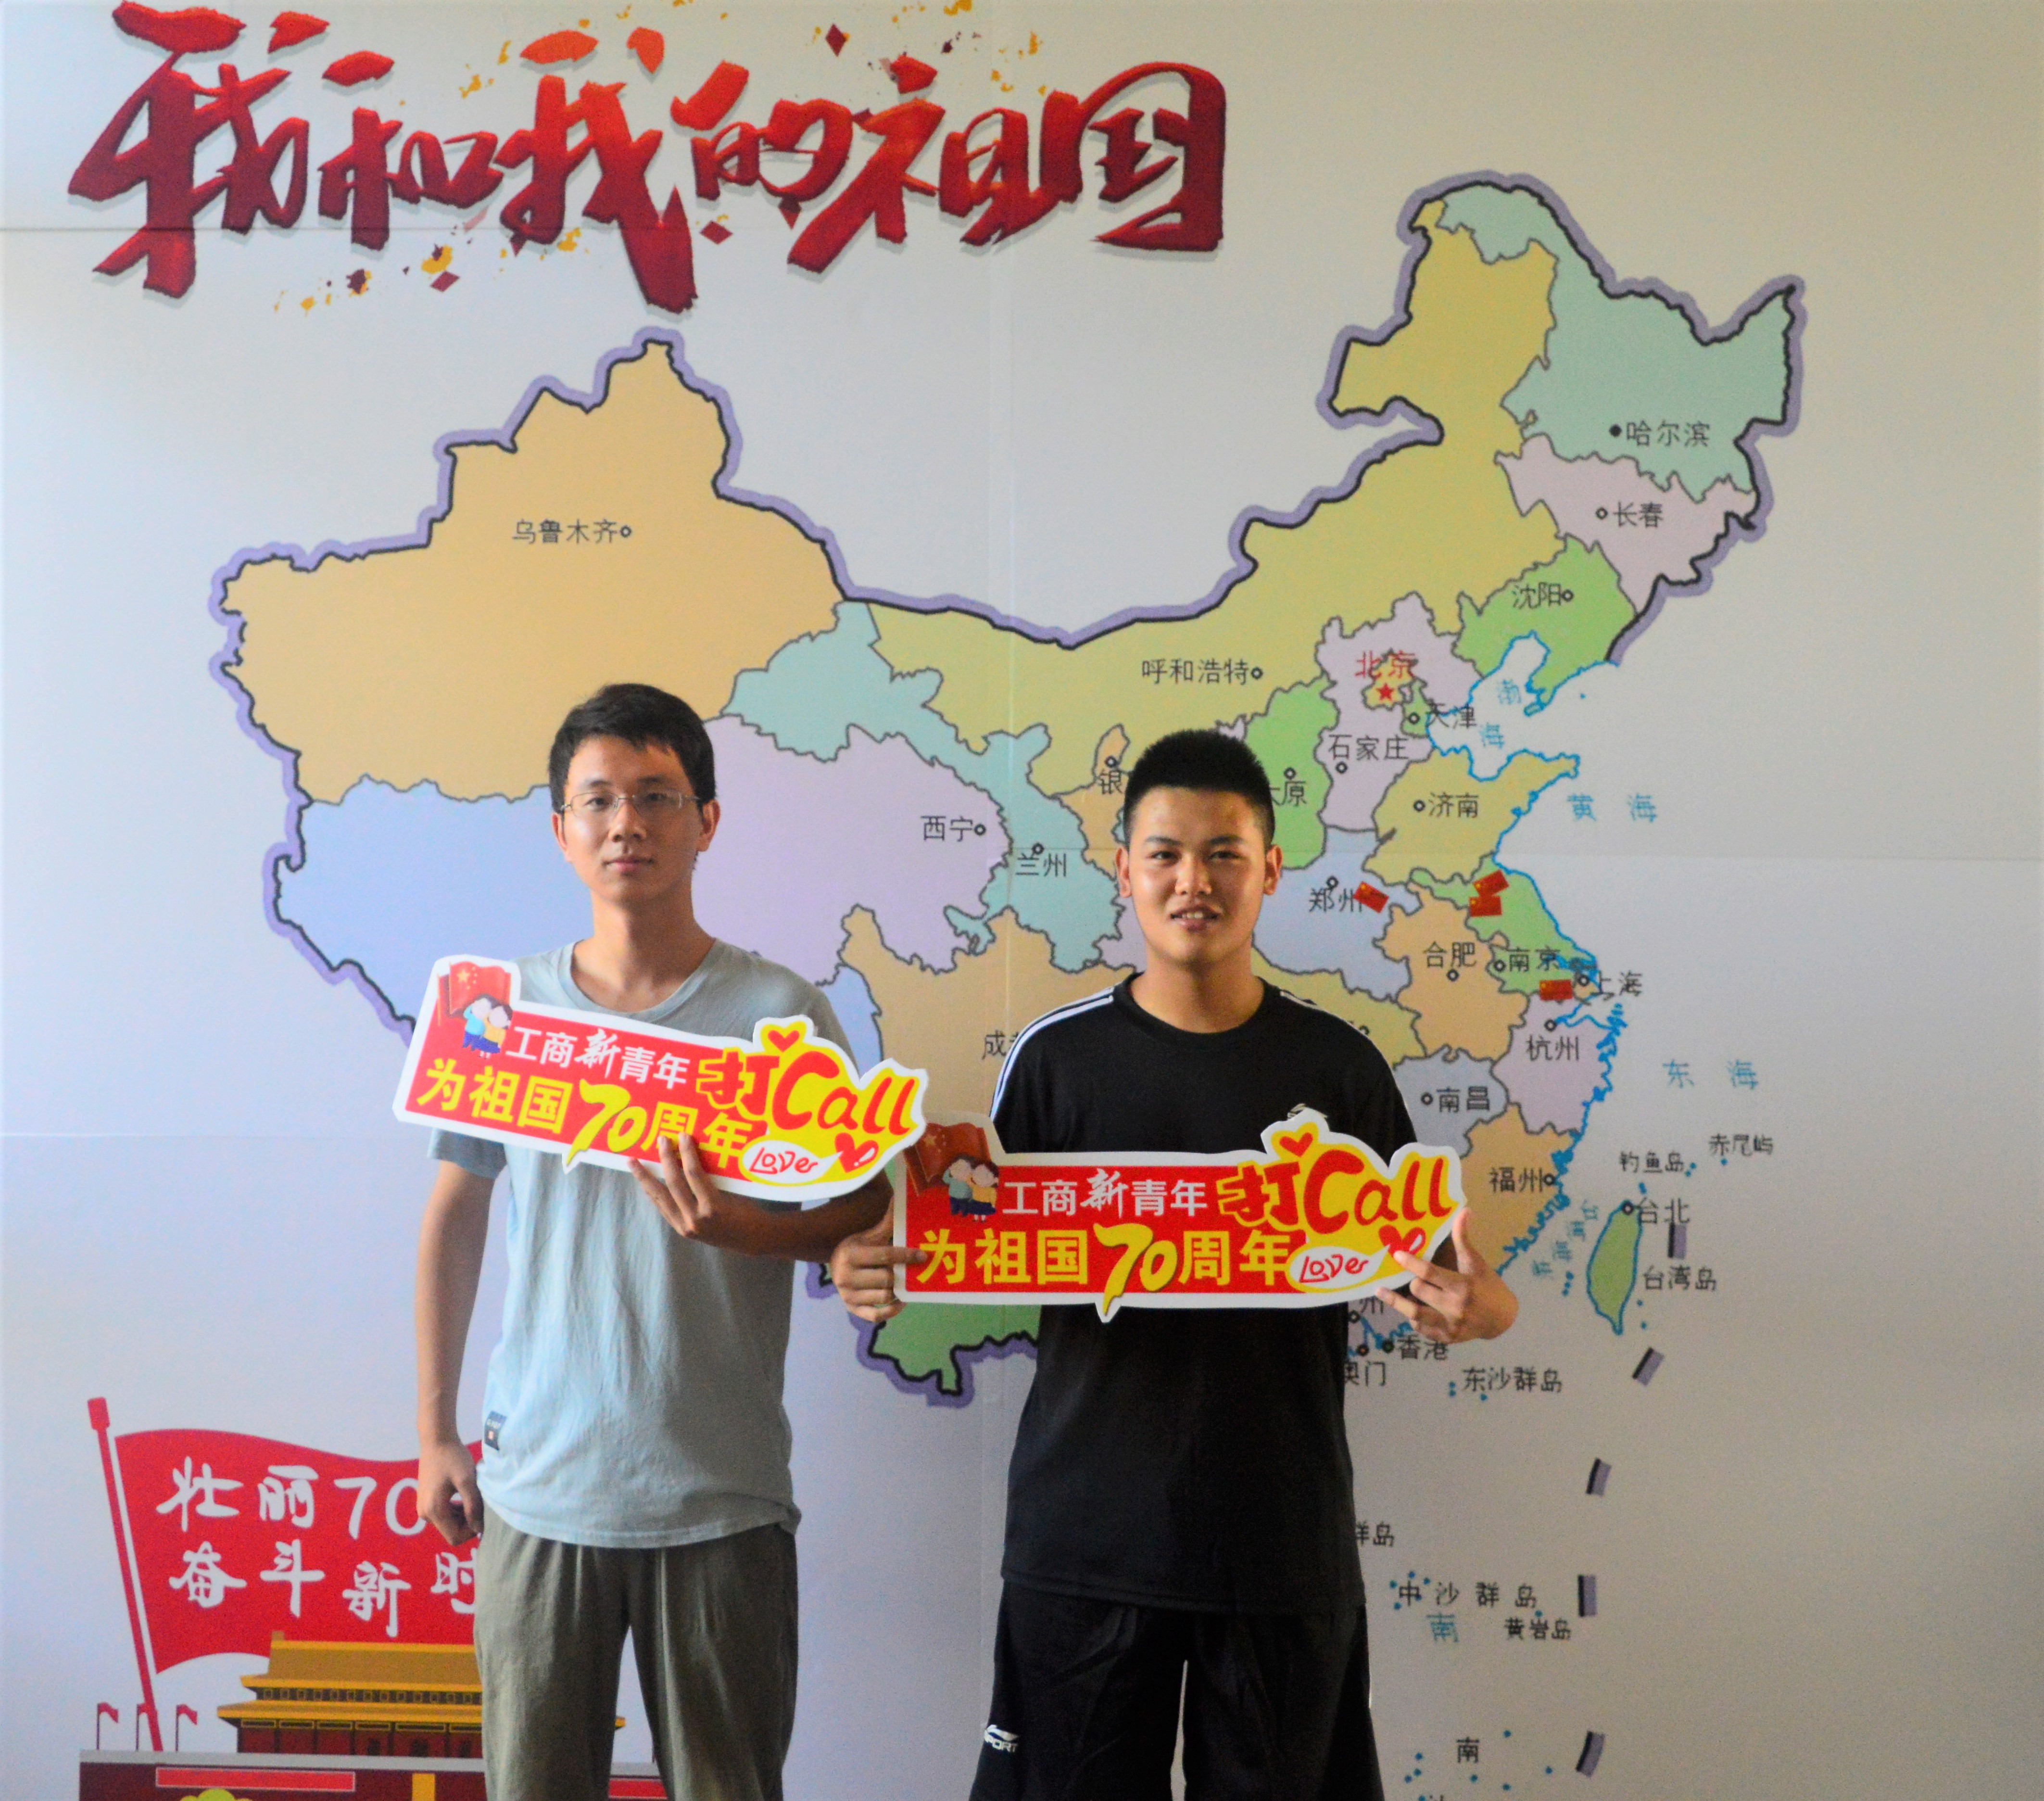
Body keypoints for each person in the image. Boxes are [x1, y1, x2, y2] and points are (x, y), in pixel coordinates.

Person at [833, 728, 1517, 1801]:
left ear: (1270, 871)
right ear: (1124, 870)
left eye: (1223, 854)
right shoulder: (1057, 1063)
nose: (1192, 881)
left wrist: (1486, 1309)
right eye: (1164, 854)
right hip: (1085, 1540)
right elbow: (970, 1244)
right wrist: (877, 1270)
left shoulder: (1339, 1068)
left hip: (1279, 1540)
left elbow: (1446, 1273)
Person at [415, 682, 892, 1801]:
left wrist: (742, 1226)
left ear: (706, 821)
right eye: (598, 800)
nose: (626, 823)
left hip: (719, 1495)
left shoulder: (779, 1014)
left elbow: (863, 1207)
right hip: (538, 1491)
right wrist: (433, 1431)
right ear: (561, 831)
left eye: (657, 796)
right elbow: (453, 1216)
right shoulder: (506, 1017)